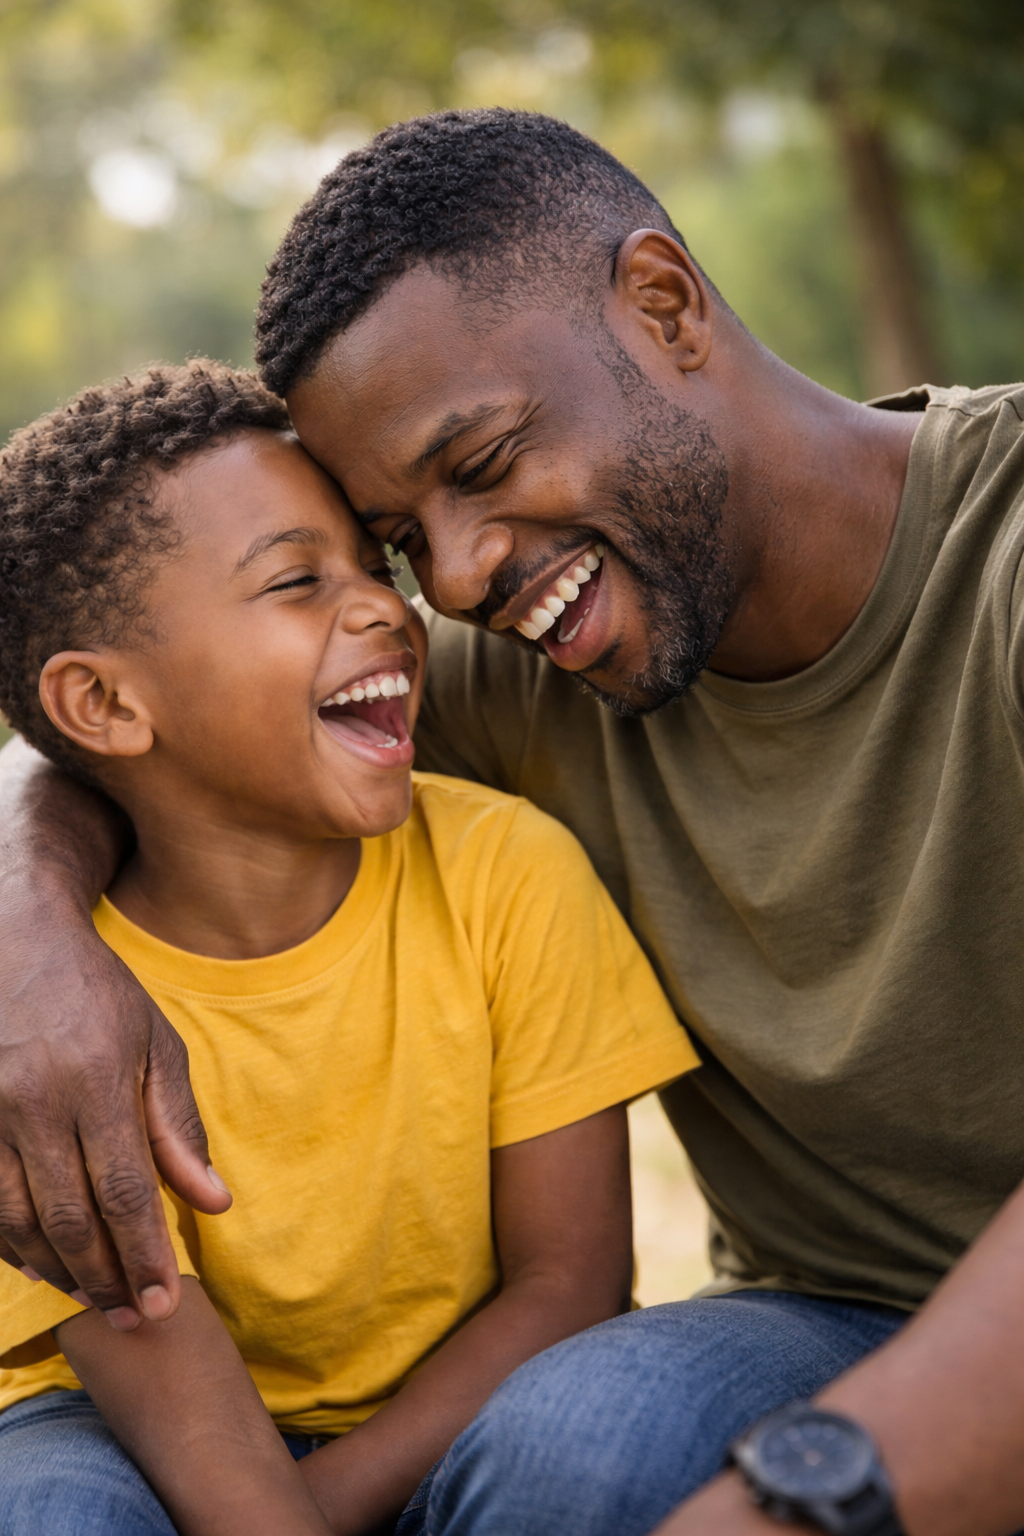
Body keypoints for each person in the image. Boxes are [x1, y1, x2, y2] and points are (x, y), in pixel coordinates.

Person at [0, 108, 1022, 1536]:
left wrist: (814, 1496)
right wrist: (30, 944)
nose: (459, 582)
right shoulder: (530, 660)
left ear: (662, 305)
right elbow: (152, 751)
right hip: (818, 1315)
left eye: (478, 466)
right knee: (579, 1452)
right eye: (403, 540)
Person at [0, 360, 696, 1536]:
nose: (385, 606)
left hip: (448, 1401)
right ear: (106, 706)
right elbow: (152, 1355)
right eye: (294, 582)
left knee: (587, 1453)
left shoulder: (503, 875)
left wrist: (322, 1509)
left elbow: (569, 1282)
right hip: (114, 1418)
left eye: (372, 567)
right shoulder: (46, 1022)